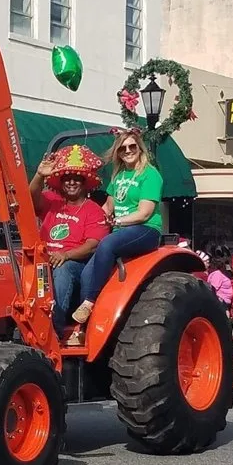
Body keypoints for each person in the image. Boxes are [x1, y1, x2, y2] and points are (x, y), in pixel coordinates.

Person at [70, 128, 163, 342]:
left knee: (108, 244)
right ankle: (82, 329)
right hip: (120, 229)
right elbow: (108, 206)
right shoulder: (119, 176)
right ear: (118, 153)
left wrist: (117, 222)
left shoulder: (150, 175)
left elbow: (144, 212)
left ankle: (90, 302)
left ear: (140, 148)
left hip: (146, 230)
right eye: (122, 148)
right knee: (86, 273)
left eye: (132, 146)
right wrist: (89, 218)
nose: (128, 151)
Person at [29, 144, 108, 334]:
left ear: (85, 182)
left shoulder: (93, 211)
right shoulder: (52, 201)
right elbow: (30, 199)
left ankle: (53, 329)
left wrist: (65, 254)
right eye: (67, 179)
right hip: (44, 259)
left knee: (63, 270)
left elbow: (92, 245)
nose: (71, 183)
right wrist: (39, 175)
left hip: (75, 263)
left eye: (76, 179)